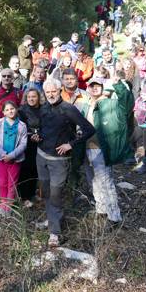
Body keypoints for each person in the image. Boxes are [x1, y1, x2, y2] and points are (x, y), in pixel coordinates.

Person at [38, 78, 95, 247]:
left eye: (53, 92)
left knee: (56, 194)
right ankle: (52, 220)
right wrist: (37, 135)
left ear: (59, 90)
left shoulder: (69, 109)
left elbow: (89, 129)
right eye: (47, 92)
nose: (50, 95)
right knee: (46, 192)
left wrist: (70, 144)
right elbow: (42, 129)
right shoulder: (44, 108)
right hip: (41, 156)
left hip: (59, 161)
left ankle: (55, 233)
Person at [79, 78, 132, 226]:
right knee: (93, 181)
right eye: (91, 86)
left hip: (101, 149)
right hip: (87, 149)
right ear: (88, 88)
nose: (94, 88)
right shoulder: (86, 104)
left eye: (97, 86)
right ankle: (101, 210)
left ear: (102, 88)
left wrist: (118, 85)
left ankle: (114, 217)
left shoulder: (111, 103)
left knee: (106, 182)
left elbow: (127, 103)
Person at [0, 101, 27, 216]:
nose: (10, 111)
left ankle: (9, 206)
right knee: (2, 182)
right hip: (1, 158)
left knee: (12, 183)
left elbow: (23, 144)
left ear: (16, 109)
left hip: (15, 159)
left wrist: (11, 155)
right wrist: (3, 154)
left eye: (12, 108)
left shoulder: (22, 125)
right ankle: (3, 203)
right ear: (3, 112)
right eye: (7, 110)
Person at [18, 89, 42, 207]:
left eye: (34, 96)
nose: (31, 99)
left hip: (40, 142)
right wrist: (31, 135)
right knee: (25, 170)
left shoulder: (44, 109)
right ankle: (24, 196)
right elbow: (21, 127)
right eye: (29, 97)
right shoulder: (22, 110)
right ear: (26, 98)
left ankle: (32, 193)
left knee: (35, 169)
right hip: (26, 143)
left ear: (38, 97)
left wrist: (40, 135)